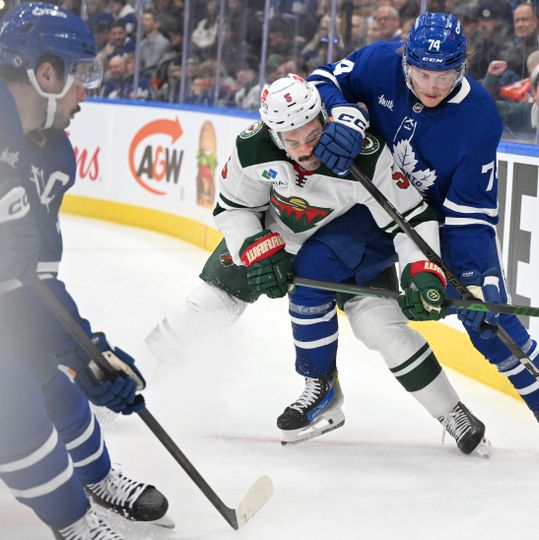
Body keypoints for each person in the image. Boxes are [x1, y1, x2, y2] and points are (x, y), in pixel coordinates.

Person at [308, 12, 539, 470]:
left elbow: (467, 216)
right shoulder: (380, 61)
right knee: (328, 278)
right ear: (406, 60)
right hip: (379, 208)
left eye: (444, 74)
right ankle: (338, 392)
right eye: (422, 73)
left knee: (489, 322)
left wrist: (465, 276)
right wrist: (342, 110)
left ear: (463, 65)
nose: (431, 85)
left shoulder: (480, 117)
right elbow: (321, 79)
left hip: (448, 221)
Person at [146, 75, 490, 455]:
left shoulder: (363, 153)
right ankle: (131, 381)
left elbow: (409, 214)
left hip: (347, 239)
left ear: (324, 118)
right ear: (273, 133)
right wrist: (254, 248)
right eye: (290, 141)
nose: (303, 149)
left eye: (311, 135)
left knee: (378, 325)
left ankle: (451, 413)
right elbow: (234, 207)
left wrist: (421, 269)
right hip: (276, 234)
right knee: (206, 305)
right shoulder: (254, 145)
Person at [0, 4, 169, 539]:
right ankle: (75, 525)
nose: (85, 92)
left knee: (49, 378)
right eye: (80, 74)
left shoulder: (51, 156)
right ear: (43, 73)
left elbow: (35, 281)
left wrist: (89, 354)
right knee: (12, 399)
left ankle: (96, 479)